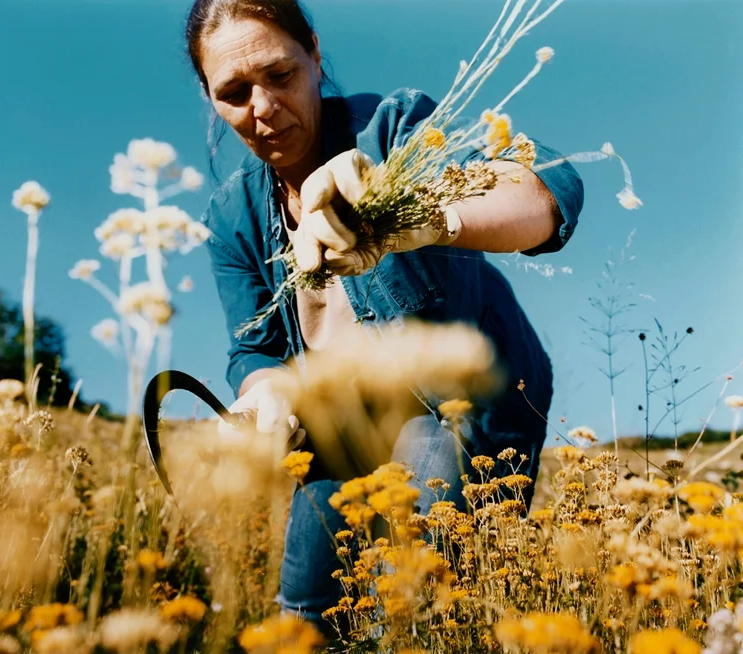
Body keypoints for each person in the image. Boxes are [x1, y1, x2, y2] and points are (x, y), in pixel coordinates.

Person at [185, 0, 584, 632]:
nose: (261, 109)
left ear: (314, 55)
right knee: (307, 606)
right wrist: (263, 397)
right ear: (211, 99)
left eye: (280, 75)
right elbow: (253, 347)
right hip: (340, 418)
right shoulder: (230, 218)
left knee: (419, 591)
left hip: (454, 402)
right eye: (233, 93)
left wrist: (421, 215)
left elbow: (545, 192)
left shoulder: (393, 128)